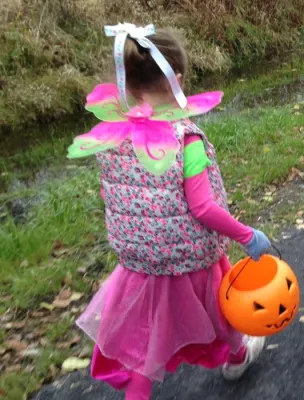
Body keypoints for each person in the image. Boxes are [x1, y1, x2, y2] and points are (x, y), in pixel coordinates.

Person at [71, 25, 271, 400]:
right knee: (220, 313)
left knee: (147, 344)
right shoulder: (186, 139)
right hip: (189, 257)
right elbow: (203, 207)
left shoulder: (111, 137)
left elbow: (111, 192)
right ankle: (238, 356)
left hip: (140, 261)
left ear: (126, 85)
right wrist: (247, 235)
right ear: (178, 79)